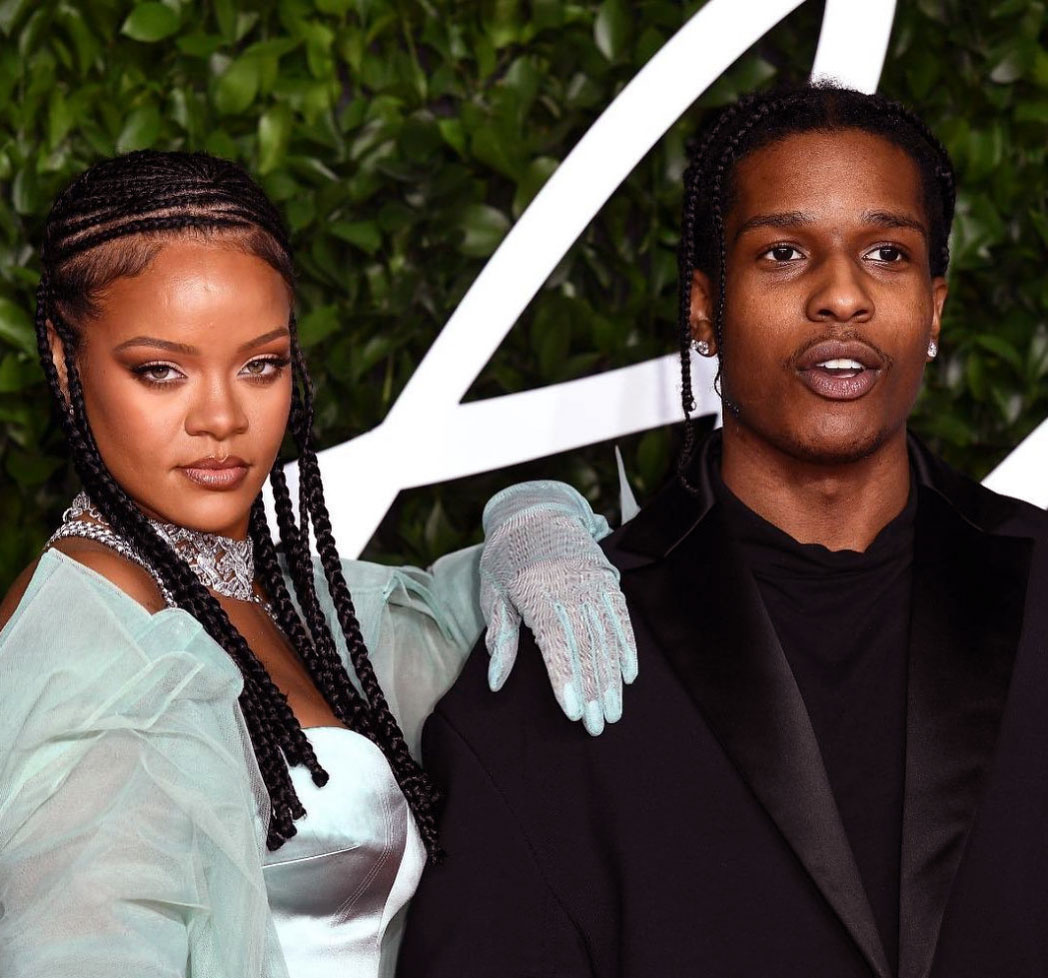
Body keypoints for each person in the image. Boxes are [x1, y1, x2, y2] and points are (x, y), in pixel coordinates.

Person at [397, 83, 1048, 978]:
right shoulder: (562, 663)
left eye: (887, 253)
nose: (843, 297)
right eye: (784, 251)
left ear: (934, 307)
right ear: (705, 309)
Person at [0, 150, 638, 978]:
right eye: (161, 371)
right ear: (61, 357)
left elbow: (451, 638)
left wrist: (531, 517)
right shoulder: (98, 653)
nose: (223, 418)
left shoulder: (278, 591)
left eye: (260, 364)